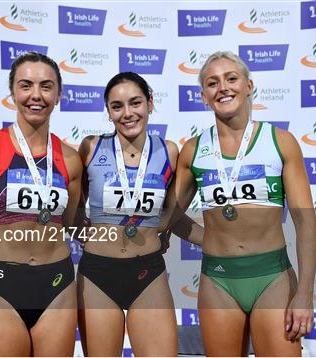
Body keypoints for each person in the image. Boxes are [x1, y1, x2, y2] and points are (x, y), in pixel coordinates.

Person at [174, 51, 316, 356]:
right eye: (212, 83)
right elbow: (168, 217)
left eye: (231, 78)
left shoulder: (280, 141)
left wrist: (305, 294)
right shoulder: (193, 151)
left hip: (273, 279)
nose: (223, 87)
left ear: (249, 85)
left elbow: (305, 223)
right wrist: (207, 238)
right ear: (203, 96)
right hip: (218, 281)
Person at [0, 52, 82, 356]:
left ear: (58, 95)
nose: (36, 95)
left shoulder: (71, 159)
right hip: (1, 287)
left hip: (58, 287)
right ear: (12, 93)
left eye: (46, 86)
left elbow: (75, 225)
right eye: (26, 85)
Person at [77, 72, 202, 356]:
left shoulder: (169, 151)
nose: (127, 113)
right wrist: (86, 234)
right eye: (117, 106)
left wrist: (213, 241)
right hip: (98, 274)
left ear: (149, 102)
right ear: (108, 111)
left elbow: (172, 215)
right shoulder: (91, 147)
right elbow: (74, 208)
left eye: (135, 103)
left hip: (148, 274)